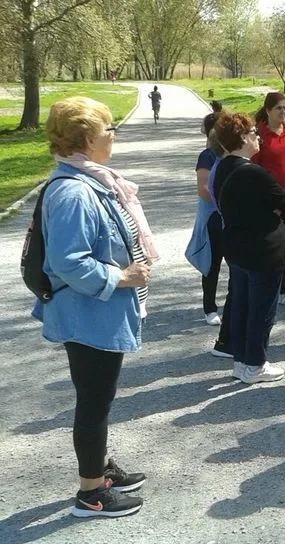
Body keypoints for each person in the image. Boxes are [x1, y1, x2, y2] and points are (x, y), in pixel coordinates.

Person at [35, 96, 158, 518]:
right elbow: (70, 261)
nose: (113, 135)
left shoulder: (92, 179)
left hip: (95, 312)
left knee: (97, 396)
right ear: (87, 138)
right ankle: (91, 493)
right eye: (108, 129)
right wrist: (123, 277)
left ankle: (99, 467)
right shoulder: (72, 190)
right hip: (87, 313)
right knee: (94, 399)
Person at [214, 111, 285, 384]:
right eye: (252, 133)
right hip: (264, 251)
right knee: (262, 309)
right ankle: (256, 363)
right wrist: (272, 214)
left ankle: (241, 360)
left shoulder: (222, 167)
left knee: (241, 306)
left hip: (237, 249)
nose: (257, 137)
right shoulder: (254, 172)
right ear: (242, 138)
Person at [252, 92, 285, 308]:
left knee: (283, 242)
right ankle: (282, 289)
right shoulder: (260, 134)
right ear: (268, 111)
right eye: (278, 109)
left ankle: (274, 286)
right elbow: (253, 169)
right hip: (269, 201)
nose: (283, 112)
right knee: (277, 244)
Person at [191, 112, 228, 326]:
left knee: (237, 262)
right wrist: (227, 203)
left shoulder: (231, 154)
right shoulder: (207, 155)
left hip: (231, 217)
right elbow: (204, 189)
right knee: (212, 264)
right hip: (214, 217)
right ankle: (210, 307)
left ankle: (234, 304)